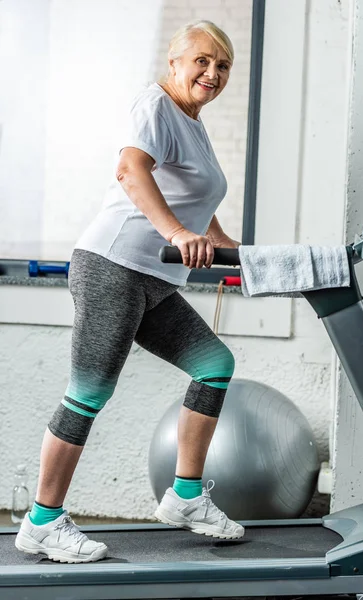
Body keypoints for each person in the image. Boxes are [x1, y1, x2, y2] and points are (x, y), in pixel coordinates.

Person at [15, 19, 244, 564]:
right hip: (113, 265)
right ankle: (42, 523)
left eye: (223, 66)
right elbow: (130, 170)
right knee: (88, 392)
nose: (212, 73)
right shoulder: (157, 105)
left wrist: (229, 247)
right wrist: (176, 234)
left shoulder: (193, 122)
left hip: (156, 278)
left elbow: (196, 199)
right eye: (203, 61)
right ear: (174, 63)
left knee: (214, 363)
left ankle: (185, 497)